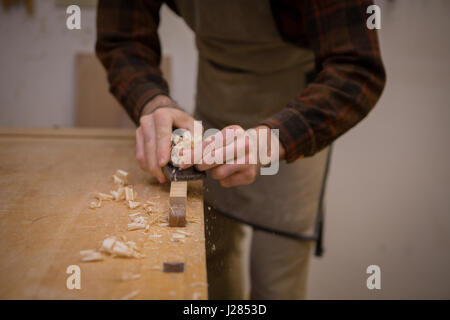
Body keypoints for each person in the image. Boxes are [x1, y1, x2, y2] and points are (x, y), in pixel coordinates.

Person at [96, 0, 385, 299]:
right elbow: (122, 38)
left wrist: (276, 138)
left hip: (296, 116)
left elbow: (357, 68)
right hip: (216, 98)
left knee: (276, 281)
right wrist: (152, 101)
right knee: (212, 260)